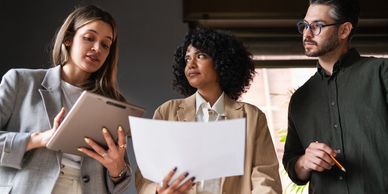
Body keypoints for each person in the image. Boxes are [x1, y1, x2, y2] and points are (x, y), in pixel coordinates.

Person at [0, 5, 131, 194]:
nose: (97, 48)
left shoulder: (113, 103)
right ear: (68, 39)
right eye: (89, 38)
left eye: (105, 44)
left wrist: (117, 169)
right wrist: (38, 139)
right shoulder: (20, 81)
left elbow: (121, 182)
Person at [136, 27, 282, 194]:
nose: (190, 64)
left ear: (222, 62)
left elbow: (264, 177)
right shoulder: (166, 111)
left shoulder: (252, 117)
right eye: (187, 58)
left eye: (200, 56)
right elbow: (146, 174)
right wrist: (157, 190)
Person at [282, 0, 388, 193]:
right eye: (304, 26)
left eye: (317, 26)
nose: (307, 33)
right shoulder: (300, 98)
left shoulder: (382, 74)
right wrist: (305, 161)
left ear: (344, 30)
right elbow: (293, 167)